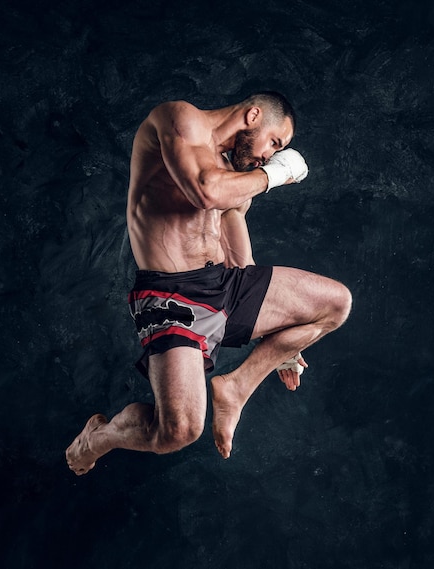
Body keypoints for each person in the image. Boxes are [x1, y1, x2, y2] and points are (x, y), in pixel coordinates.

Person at [66, 92, 352, 474]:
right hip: (173, 296)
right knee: (178, 430)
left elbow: (238, 249)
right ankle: (96, 439)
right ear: (253, 115)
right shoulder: (179, 120)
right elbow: (204, 191)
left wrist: (278, 336)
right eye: (275, 142)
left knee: (335, 303)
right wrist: (276, 174)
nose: (270, 155)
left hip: (224, 284)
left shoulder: (233, 174)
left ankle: (236, 387)